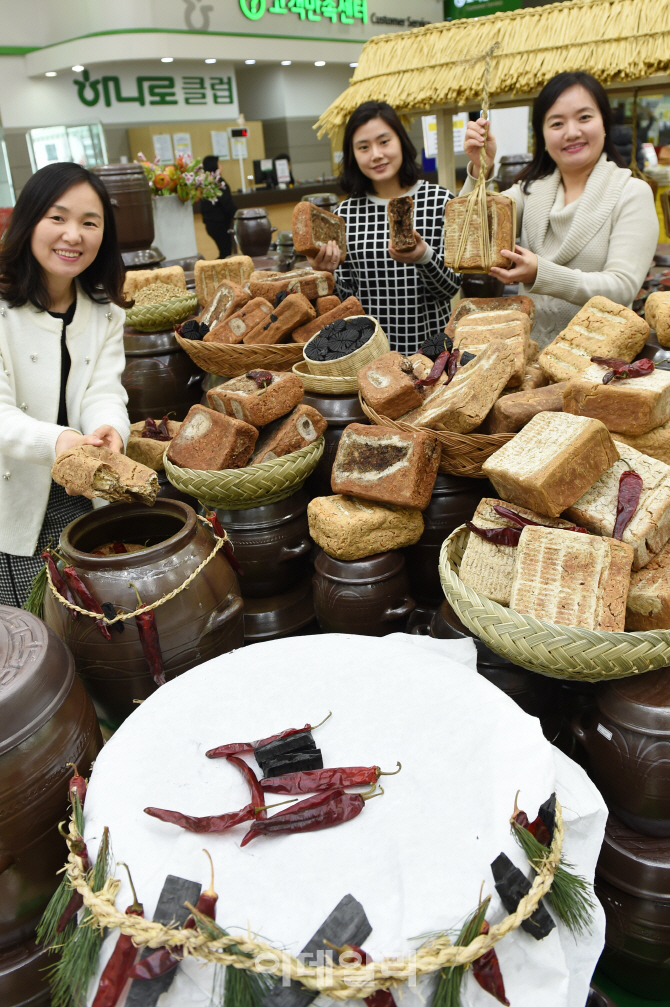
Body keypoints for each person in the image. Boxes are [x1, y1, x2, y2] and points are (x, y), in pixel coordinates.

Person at [0, 161, 130, 607]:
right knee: (35, 640)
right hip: (11, 506)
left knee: (97, 627)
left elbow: (104, 389)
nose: (73, 235)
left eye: (89, 223)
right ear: (29, 221)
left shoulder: (105, 312)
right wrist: (63, 441)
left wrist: (111, 427)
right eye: (57, 217)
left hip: (83, 493)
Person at [463, 70, 659, 348]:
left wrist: (540, 273)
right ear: (541, 134)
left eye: (584, 117)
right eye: (556, 123)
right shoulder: (528, 191)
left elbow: (621, 287)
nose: (572, 132)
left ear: (604, 123)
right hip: (528, 363)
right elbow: (471, 233)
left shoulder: (631, 193)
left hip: (600, 366)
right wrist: (480, 168)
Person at [307, 101, 460, 355]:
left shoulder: (440, 201)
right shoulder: (344, 215)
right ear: (353, 155)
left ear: (401, 141)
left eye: (384, 141)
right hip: (368, 356)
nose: (376, 154)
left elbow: (451, 287)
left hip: (432, 353)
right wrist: (327, 276)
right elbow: (348, 303)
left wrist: (423, 257)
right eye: (364, 147)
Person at [200, 155, 237, 258]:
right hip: (219, 224)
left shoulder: (205, 183)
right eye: (219, 164)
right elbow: (227, 203)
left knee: (224, 252)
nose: (221, 167)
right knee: (225, 253)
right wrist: (238, 215)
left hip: (210, 223)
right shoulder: (218, 183)